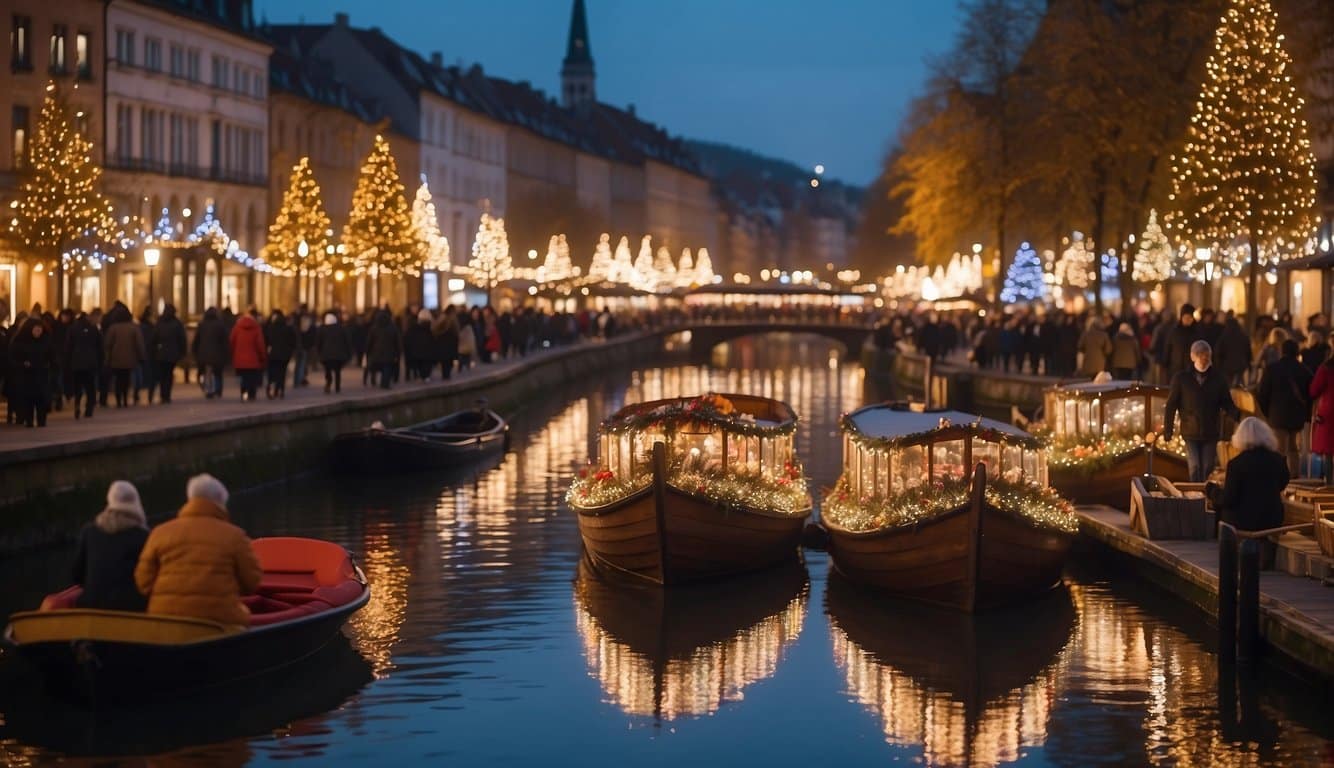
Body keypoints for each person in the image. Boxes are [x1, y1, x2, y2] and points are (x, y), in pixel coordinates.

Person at [134, 474, 261, 627]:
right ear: (220, 501)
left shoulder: (159, 533)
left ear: (190, 499)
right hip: (218, 624)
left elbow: (143, 583)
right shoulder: (235, 536)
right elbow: (251, 583)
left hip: (165, 622)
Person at [1213, 417, 1289, 567]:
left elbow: (1229, 498)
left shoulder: (1236, 464)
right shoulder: (1278, 460)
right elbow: (1282, 483)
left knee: (1221, 508)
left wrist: (1212, 491)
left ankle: (1227, 551)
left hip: (1244, 520)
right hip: (1272, 518)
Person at [1164, 340, 1240, 482]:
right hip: (1190, 430)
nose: (1204, 359)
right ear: (1193, 357)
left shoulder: (1218, 379)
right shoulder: (1181, 378)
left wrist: (1237, 416)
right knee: (1195, 466)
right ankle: (1196, 496)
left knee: (1207, 467)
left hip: (1210, 430)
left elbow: (1226, 402)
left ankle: (1206, 495)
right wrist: (1168, 429)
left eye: (1207, 356)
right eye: (1201, 355)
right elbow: (1171, 404)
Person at [71, 481, 150, 611]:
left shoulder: (89, 531)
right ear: (137, 503)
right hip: (129, 611)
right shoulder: (143, 537)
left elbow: (76, 576)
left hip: (90, 609)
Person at [1256, 339, 1312, 477]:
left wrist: (1267, 412)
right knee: (1294, 448)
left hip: (1277, 415)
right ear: (1297, 352)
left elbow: (1262, 394)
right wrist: (1306, 415)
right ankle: (1294, 475)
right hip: (1297, 416)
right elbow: (1310, 394)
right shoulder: (1304, 370)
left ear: (1282, 351)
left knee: (1279, 448)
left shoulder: (1272, 369)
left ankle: (1278, 476)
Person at [8, 316, 52, 427]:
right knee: (28, 400)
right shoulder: (20, 343)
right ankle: (29, 421)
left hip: (41, 376)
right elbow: (12, 358)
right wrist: (22, 364)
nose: (38, 332)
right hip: (26, 376)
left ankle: (42, 421)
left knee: (41, 400)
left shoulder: (45, 341)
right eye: (36, 329)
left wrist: (49, 366)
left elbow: (51, 357)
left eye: (40, 330)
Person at [104, 304, 145, 408]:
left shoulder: (113, 328)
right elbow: (139, 344)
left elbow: (108, 344)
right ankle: (125, 399)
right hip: (130, 358)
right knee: (126, 380)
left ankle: (119, 401)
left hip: (116, 359)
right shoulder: (133, 328)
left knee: (118, 380)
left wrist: (107, 358)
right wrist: (141, 357)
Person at [64, 312, 102, 419]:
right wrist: (100, 362)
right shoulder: (94, 329)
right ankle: (89, 409)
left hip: (77, 363)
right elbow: (100, 347)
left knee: (78, 387)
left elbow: (68, 348)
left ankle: (77, 405)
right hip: (90, 363)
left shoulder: (72, 329)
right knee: (90, 387)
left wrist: (68, 362)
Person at [150, 304, 187, 404]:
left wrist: (154, 350)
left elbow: (154, 337)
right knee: (169, 374)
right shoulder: (177, 323)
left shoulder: (160, 322)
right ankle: (167, 395)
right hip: (172, 353)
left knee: (162, 375)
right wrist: (182, 352)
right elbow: (182, 339)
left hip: (161, 352)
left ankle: (163, 394)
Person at [228, 312, 267, 402]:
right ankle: (252, 395)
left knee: (243, 378)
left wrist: (233, 355)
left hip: (240, 360)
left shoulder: (237, 328)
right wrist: (262, 357)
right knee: (252, 378)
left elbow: (231, 342)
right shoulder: (256, 328)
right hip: (253, 360)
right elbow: (260, 345)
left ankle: (244, 393)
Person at [1309, 353, 1334, 483]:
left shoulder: (1326, 368)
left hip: (1329, 411)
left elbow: (1314, 390)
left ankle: (1329, 486)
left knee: (1329, 451)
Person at [193, 307, 229, 399]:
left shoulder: (202, 325)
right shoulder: (220, 325)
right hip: (217, 354)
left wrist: (195, 352)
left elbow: (196, 340)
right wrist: (226, 353)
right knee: (218, 373)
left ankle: (208, 390)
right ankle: (218, 390)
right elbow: (224, 341)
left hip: (204, 354)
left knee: (206, 372)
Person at [263, 310, 297, 400]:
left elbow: (266, 340)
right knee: (282, 373)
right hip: (284, 355)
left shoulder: (270, 328)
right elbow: (293, 342)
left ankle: (271, 386)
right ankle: (280, 389)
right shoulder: (288, 329)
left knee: (272, 372)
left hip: (272, 354)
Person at [316, 311, 352, 393]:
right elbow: (347, 341)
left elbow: (318, 342)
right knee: (337, 371)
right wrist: (348, 352)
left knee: (328, 370)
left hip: (326, 354)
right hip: (339, 354)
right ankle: (337, 387)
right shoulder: (341, 329)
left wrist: (319, 352)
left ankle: (328, 383)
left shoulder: (322, 329)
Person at [1164, 304, 1199, 381]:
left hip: (1191, 369)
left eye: (1190, 318)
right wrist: (1166, 364)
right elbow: (1168, 348)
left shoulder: (1196, 332)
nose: (1188, 320)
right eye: (1186, 318)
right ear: (1181, 318)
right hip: (1175, 368)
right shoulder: (1174, 331)